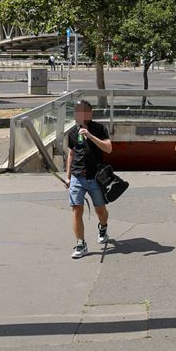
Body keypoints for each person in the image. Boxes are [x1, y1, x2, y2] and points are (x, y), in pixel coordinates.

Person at [65, 99, 112, 258]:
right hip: (77, 176)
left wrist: (90, 136)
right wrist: (68, 177)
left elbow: (108, 148)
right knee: (76, 209)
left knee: (101, 211)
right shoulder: (72, 132)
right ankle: (81, 243)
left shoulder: (99, 129)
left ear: (90, 113)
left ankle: (103, 227)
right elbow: (71, 154)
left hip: (95, 177)